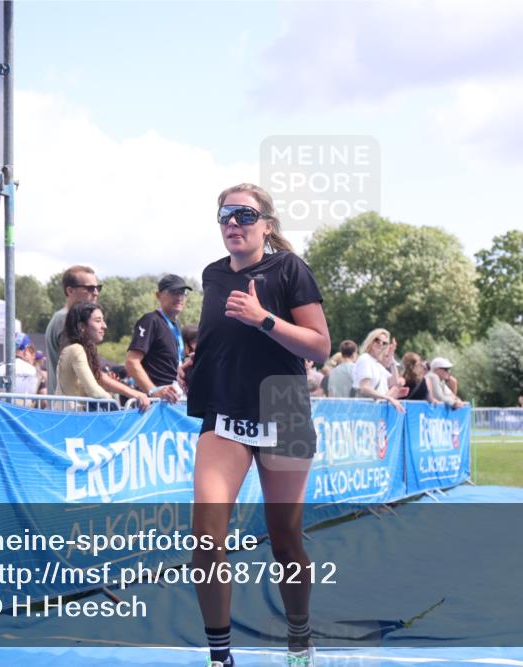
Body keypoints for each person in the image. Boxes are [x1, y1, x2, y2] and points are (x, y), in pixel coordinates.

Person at [182, 183, 330, 667]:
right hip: (225, 411)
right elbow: (217, 340)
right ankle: (220, 657)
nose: (232, 223)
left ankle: (299, 638)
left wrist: (264, 318)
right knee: (205, 538)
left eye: (245, 215)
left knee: (284, 538)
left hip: (283, 409)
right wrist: (196, 367)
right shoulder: (212, 275)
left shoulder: (290, 269)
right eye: (225, 214)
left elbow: (318, 347)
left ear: (268, 224)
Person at [57, 302, 150, 411]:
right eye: (98, 321)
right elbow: (94, 391)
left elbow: (94, 386)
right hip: (71, 420)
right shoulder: (76, 349)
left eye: (103, 320)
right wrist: (116, 409)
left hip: (72, 418)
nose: (104, 326)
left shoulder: (78, 349)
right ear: (81, 326)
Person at [126, 274, 193, 403]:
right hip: (158, 402)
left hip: (175, 397)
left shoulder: (176, 326)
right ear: (158, 295)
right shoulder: (151, 320)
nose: (179, 297)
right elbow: (131, 362)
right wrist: (153, 391)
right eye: (174, 292)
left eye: (183, 292)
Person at [45, 265, 100, 395]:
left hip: (69, 407)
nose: (96, 293)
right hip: (68, 409)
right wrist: (134, 393)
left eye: (98, 288)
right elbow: (81, 371)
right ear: (70, 291)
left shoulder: (67, 318)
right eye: (90, 288)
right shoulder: (65, 319)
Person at [352, 328, 406, 412]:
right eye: (377, 340)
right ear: (371, 341)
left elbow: (395, 382)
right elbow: (364, 388)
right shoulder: (365, 358)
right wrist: (388, 398)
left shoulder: (376, 363)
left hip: (374, 410)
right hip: (365, 410)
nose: (380, 344)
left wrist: (391, 357)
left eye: (384, 343)